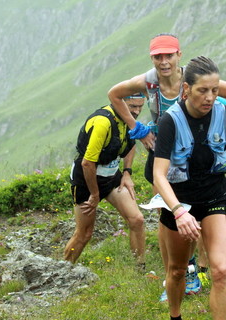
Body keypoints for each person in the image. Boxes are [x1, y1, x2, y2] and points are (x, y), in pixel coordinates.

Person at [107, 33, 222, 300]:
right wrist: (137, 129)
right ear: (152, 58)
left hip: (197, 157)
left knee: (205, 210)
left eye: (169, 55)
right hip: (165, 157)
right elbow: (114, 94)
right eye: (158, 56)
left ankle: (198, 268)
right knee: (168, 214)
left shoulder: (195, 80)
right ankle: (176, 272)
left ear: (179, 55)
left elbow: (219, 91)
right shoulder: (148, 82)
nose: (164, 61)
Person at [153, 56, 226, 320]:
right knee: (176, 270)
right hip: (180, 202)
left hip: (215, 197)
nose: (210, 98)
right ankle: (175, 315)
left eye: (215, 90)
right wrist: (179, 212)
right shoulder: (170, 121)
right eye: (202, 90)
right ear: (186, 90)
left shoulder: (223, 113)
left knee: (221, 271)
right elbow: (159, 175)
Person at [64, 94, 146, 270]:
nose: (137, 111)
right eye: (133, 106)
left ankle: (141, 268)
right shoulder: (103, 122)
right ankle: (63, 271)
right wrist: (94, 194)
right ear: (120, 102)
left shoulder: (128, 120)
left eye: (140, 106)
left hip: (111, 175)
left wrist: (127, 173)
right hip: (86, 178)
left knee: (137, 220)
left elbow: (131, 144)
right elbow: (87, 163)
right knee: (85, 234)